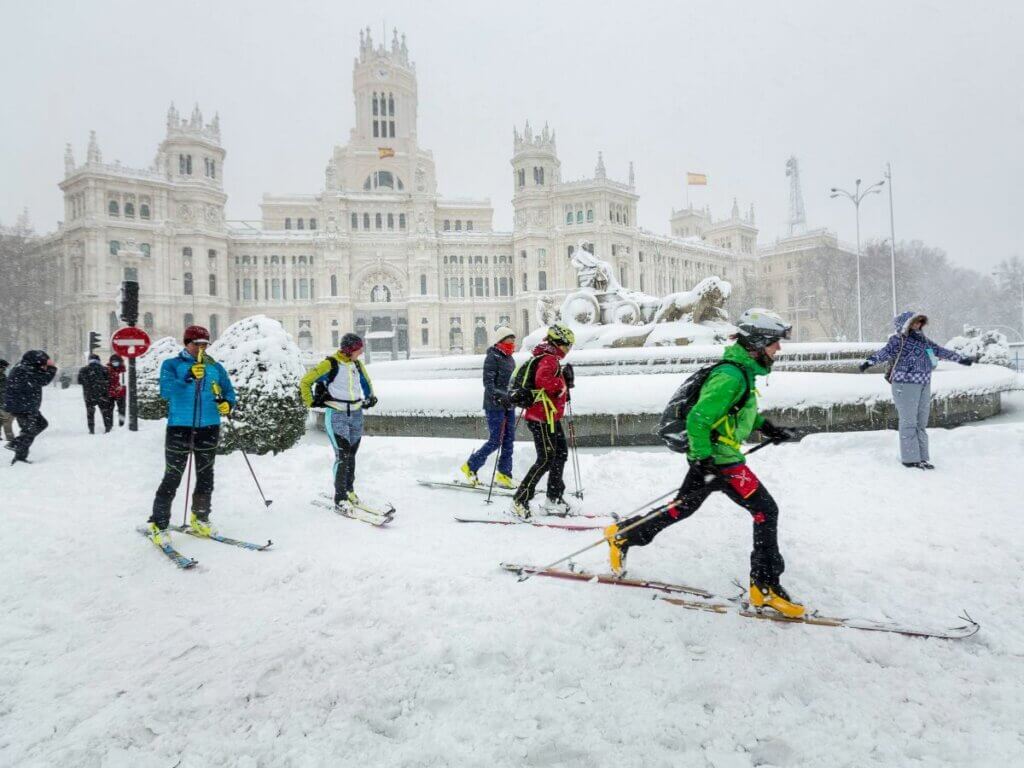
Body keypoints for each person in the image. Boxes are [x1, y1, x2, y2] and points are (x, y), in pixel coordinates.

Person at [604, 309, 805, 618]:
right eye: (774, 343)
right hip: (721, 462)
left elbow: (735, 412)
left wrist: (767, 427)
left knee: (682, 507)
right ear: (758, 342)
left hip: (717, 458)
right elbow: (698, 419)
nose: (778, 349)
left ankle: (624, 535)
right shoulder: (731, 375)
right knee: (766, 511)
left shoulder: (741, 370)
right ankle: (764, 586)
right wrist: (703, 460)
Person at [147, 325, 236, 547]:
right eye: (197, 344)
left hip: (209, 426)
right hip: (180, 427)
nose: (201, 349)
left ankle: (200, 518)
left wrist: (227, 404)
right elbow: (166, 391)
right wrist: (186, 376)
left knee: (206, 475)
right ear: (186, 343)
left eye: (205, 344)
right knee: (173, 475)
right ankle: (159, 523)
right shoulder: (172, 364)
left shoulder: (215, 367)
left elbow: (228, 391)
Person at [858, 311, 973, 469]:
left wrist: (960, 359)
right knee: (909, 421)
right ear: (905, 324)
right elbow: (884, 353)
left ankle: (922, 457)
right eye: (914, 322)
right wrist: (869, 362)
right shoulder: (898, 340)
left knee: (921, 422)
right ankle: (910, 458)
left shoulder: (924, 341)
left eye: (919, 322)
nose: (918, 325)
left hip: (924, 383)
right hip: (905, 384)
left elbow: (940, 351)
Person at [299, 332, 377, 509]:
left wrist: (370, 397)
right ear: (349, 349)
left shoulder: (356, 364)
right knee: (342, 456)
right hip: (337, 416)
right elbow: (305, 381)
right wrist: (310, 401)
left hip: (356, 415)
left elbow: (366, 382)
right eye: (358, 349)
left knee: (352, 456)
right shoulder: (330, 364)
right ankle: (340, 497)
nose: (361, 352)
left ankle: (349, 490)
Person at [510, 323, 576, 519]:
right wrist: (563, 382)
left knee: (560, 454)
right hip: (541, 418)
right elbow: (543, 382)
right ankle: (520, 499)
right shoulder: (549, 359)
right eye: (567, 345)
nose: (568, 349)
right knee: (546, 459)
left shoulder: (548, 357)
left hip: (549, 416)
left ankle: (553, 498)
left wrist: (563, 384)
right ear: (558, 343)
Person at [461, 325, 518, 489]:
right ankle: (470, 466)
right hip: (494, 405)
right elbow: (488, 383)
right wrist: (501, 397)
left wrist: (514, 395)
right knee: (496, 440)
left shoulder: (510, 358)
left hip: (509, 405)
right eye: (510, 339)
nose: (513, 342)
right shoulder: (493, 356)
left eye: (514, 340)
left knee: (509, 441)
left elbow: (512, 382)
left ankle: (504, 474)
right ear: (501, 340)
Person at [3, 350, 58, 465]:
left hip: (20, 406)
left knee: (28, 430)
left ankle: (19, 457)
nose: (43, 366)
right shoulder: (27, 370)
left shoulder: (21, 368)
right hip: (24, 407)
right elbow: (44, 380)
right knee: (38, 426)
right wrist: (52, 368)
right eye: (42, 363)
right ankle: (16, 444)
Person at [77, 354, 112, 433]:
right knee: (105, 412)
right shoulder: (105, 369)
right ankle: (107, 428)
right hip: (102, 394)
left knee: (90, 413)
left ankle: (91, 429)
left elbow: (79, 381)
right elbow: (109, 381)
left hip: (89, 394)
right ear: (99, 360)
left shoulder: (83, 370)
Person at [106, 354, 127, 428]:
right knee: (109, 410)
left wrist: (122, 387)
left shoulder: (123, 370)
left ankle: (122, 424)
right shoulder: (107, 369)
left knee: (121, 410)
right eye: (113, 361)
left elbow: (125, 381)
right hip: (110, 393)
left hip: (121, 393)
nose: (115, 363)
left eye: (116, 361)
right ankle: (109, 426)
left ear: (120, 362)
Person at [0, 359, 16, 444]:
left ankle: (9, 438)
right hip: (3, 403)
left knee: (4, 420)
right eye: (3, 368)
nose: (4, 369)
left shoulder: (3, 377)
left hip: (3, 402)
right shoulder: (2, 377)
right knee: (7, 420)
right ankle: (10, 439)